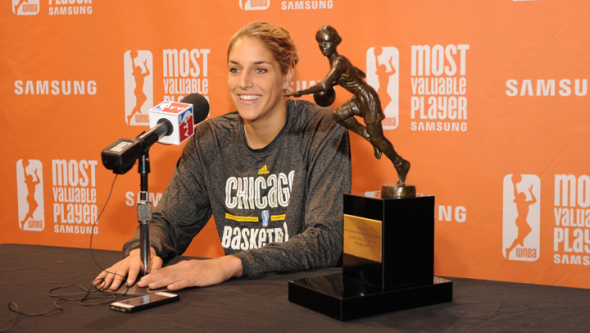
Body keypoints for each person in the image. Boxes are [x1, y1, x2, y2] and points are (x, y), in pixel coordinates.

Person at [95, 22, 351, 291]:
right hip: (236, 298)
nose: (243, 83)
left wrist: (230, 264)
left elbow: (326, 240)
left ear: (287, 77)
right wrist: (143, 249)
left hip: (302, 298)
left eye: (260, 69)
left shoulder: (322, 129)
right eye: (235, 69)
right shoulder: (211, 138)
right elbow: (169, 222)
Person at [287, 25, 410, 185]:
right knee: (339, 115)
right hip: (360, 98)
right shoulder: (337, 62)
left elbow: (324, 85)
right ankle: (368, 136)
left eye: (326, 42)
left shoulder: (339, 62)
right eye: (320, 43)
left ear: (334, 42)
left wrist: (300, 92)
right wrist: (348, 77)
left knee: (379, 140)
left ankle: (400, 163)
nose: (323, 46)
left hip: (367, 99)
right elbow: (360, 74)